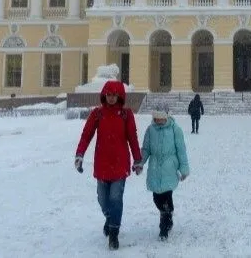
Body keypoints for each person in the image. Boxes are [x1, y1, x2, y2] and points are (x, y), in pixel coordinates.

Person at [74, 80, 143, 250]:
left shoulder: (126, 115)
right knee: (103, 199)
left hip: (120, 165)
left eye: (114, 95)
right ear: (105, 95)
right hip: (102, 164)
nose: (111, 98)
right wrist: (79, 154)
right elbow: (86, 135)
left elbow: (132, 138)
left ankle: (114, 234)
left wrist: (138, 159)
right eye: (109, 94)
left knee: (115, 198)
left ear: (120, 96)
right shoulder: (97, 114)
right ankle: (110, 217)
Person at [141, 102, 190, 241]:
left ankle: (164, 226)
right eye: (156, 118)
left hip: (169, 168)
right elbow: (146, 149)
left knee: (166, 197)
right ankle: (167, 213)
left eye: (161, 118)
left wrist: (184, 169)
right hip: (155, 169)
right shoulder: (150, 130)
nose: (159, 121)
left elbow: (181, 150)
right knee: (157, 198)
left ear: (167, 117)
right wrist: (140, 163)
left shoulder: (175, 129)